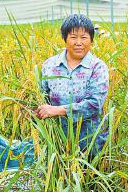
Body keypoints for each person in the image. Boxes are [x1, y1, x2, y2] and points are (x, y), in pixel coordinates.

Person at [34, 14, 109, 156]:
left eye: (84, 37)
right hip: (57, 144)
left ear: (91, 40)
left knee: (90, 177)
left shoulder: (97, 67)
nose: (79, 42)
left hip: (90, 143)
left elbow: (94, 104)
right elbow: (41, 97)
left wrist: (57, 110)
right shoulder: (50, 65)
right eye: (73, 37)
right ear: (65, 39)